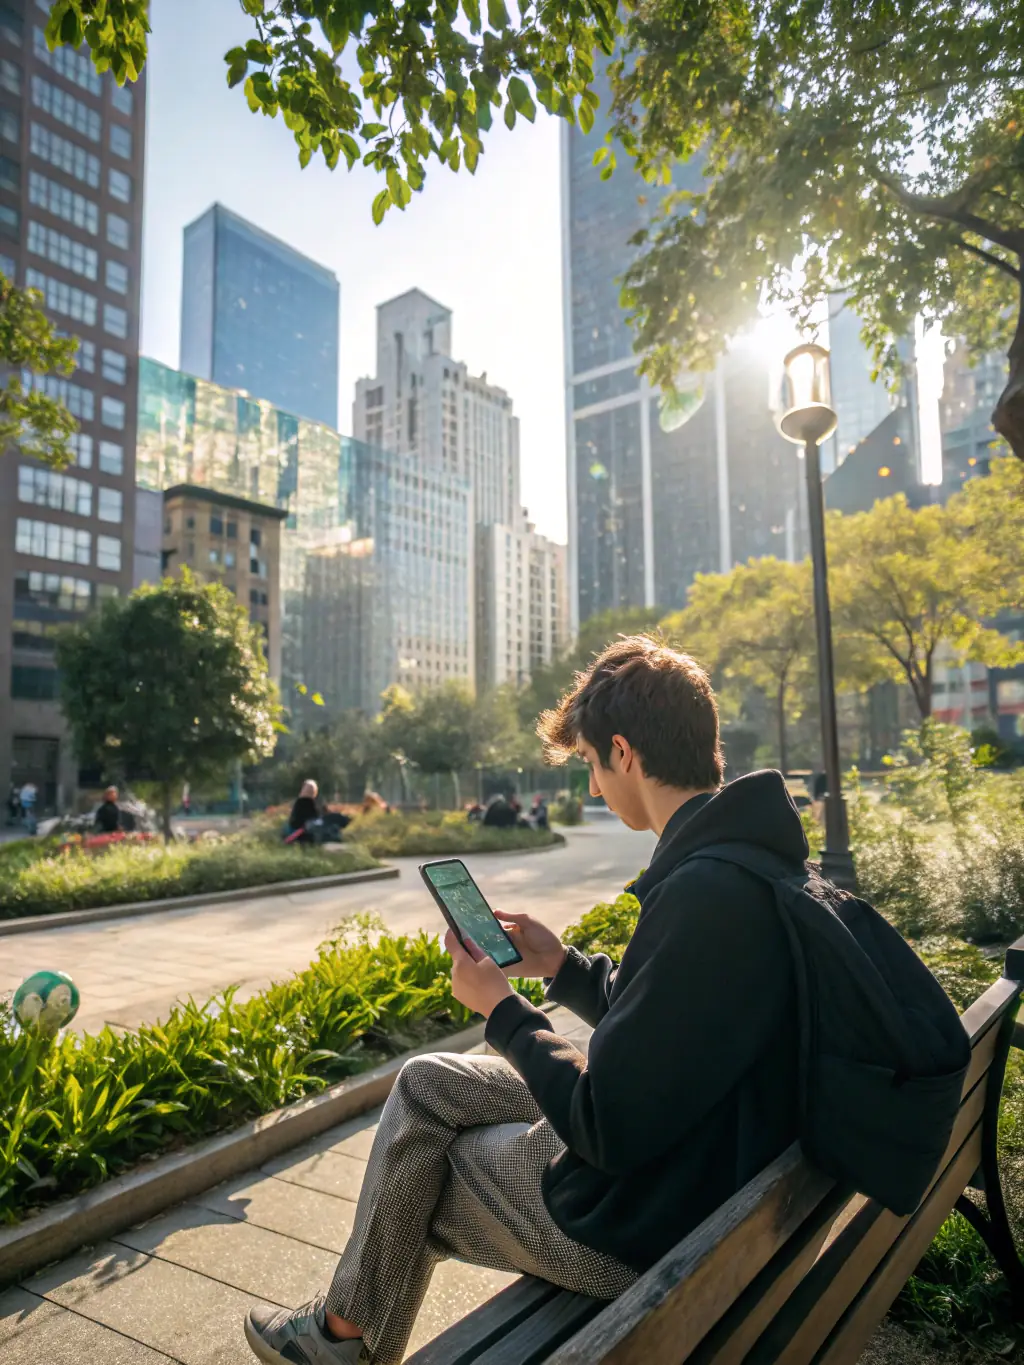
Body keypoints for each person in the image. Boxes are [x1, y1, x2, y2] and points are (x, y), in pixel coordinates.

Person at [244, 636, 807, 1365]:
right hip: (707, 1179)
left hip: (645, 1225)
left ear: (624, 752)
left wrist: (503, 1009)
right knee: (426, 1081)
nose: (596, 788)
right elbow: (673, 1018)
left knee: (418, 1177)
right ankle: (339, 1336)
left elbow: (604, 1126)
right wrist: (563, 966)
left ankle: (340, 1340)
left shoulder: (700, 894)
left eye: (592, 766)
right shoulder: (745, 862)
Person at [286, 779, 322, 845]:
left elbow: (293, 821)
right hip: (310, 833)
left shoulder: (299, 802)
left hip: (297, 832)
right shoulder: (316, 804)